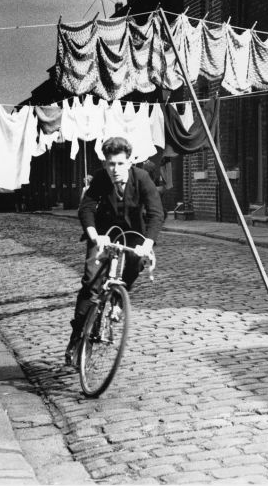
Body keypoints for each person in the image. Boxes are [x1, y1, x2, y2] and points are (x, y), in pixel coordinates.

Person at [65, 136, 164, 366]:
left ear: (129, 162)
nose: (115, 169)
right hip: (103, 234)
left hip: (133, 235)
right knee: (91, 284)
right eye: (111, 164)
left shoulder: (142, 179)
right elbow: (86, 207)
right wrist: (93, 235)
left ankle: (119, 297)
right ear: (105, 164)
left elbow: (156, 212)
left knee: (135, 262)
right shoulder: (101, 179)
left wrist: (147, 244)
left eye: (120, 164)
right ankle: (79, 338)